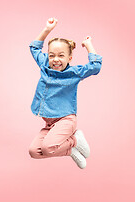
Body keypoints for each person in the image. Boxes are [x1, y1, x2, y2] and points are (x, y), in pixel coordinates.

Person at [28, 17, 102, 169]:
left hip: (66, 119)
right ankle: (71, 149)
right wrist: (47, 30)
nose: (55, 59)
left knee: (48, 148)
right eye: (51, 55)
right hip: (50, 123)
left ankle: (74, 139)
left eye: (61, 56)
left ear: (69, 58)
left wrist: (88, 46)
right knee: (34, 151)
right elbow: (34, 48)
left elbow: (95, 66)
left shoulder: (74, 73)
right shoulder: (44, 65)